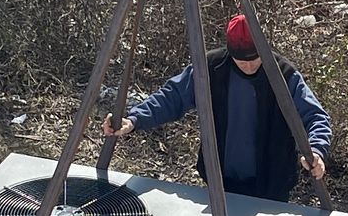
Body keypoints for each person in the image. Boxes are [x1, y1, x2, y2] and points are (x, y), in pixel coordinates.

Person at [105, 13, 331, 202]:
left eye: (255, 58)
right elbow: (172, 97)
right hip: (220, 182)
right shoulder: (210, 68)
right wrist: (134, 120)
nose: (250, 66)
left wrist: (317, 151)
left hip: (272, 186)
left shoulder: (285, 75)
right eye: (242, 61)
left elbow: (316, 117)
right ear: (230, 52)